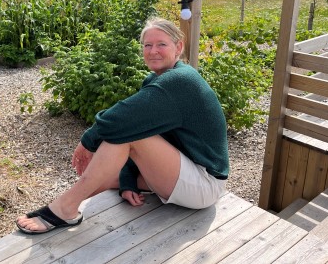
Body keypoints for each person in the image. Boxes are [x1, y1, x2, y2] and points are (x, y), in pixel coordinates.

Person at [16, 17, 229, 234]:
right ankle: (61, 206)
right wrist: (128, 181)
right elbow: (136, 127)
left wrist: (88, 140)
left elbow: (120, 120)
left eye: (161, 44)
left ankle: (64, 209)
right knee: (104, 173)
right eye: (147, 45)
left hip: (204, 183)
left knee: (126, 135)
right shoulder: (158, 80)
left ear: (178, 47)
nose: (153, 50)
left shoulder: (180, 81)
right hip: (183, 169)